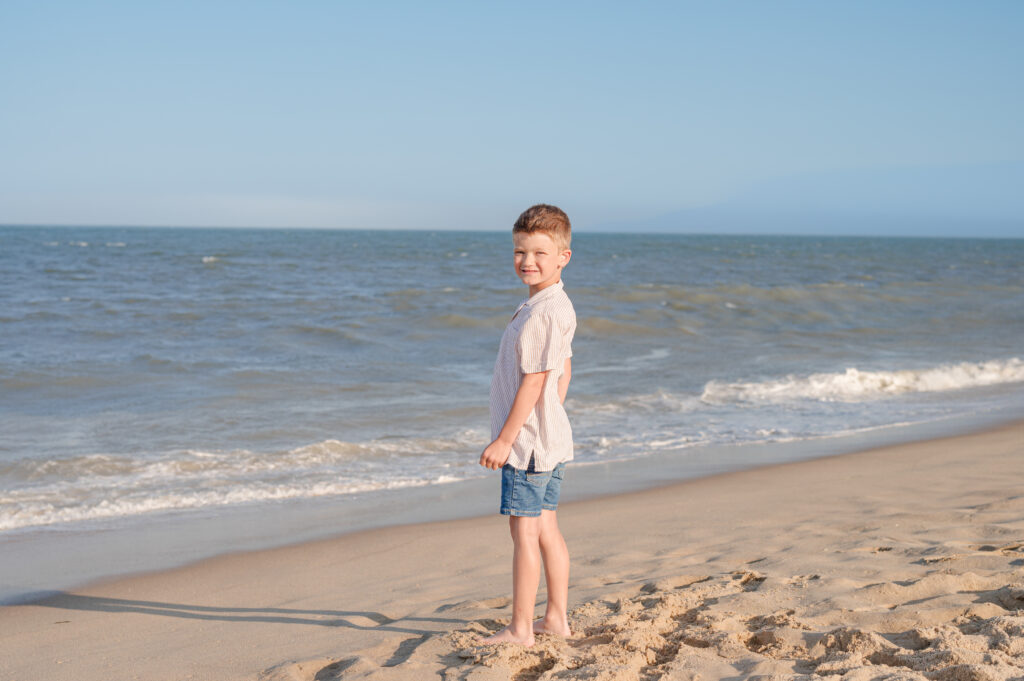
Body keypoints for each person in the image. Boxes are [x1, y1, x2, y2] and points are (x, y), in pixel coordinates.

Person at [479, 203, 577, 646]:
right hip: (549, 439)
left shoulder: (541, 313)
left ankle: (521, 628)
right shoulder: (553, 303)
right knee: (547, 527)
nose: (527, 261)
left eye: (539, 252)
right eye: (520, 251)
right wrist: (550, 415)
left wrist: (506, 438)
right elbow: (565, 370)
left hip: (529, 447)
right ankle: (555, 617)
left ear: (563, 256)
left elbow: (535, 380)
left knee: (524, 533)